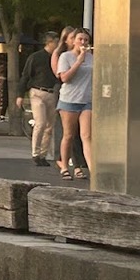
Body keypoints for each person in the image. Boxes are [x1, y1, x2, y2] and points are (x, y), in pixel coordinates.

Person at [16, 32, 60, 166]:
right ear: (49, 42)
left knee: (49, 126)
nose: (58, 44)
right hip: (37, 92)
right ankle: (35, 153)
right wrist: (20, 95)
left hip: (51, 92)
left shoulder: (58, 58)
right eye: (56, 42)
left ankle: (43, 154)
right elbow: (25, 75)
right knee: (40, 122)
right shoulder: (36, 57)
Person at [56, 28, 93, 179]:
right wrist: (79, 61)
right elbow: (64, 78)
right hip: (69, 100)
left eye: (86, 40)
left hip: (87, 101)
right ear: (74, 41)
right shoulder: (65, 57)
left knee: (86, 135)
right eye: (80, 39)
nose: (83, 42)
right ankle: (64, 166)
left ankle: (93, 169)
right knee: (69, 135)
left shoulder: (92, 57)